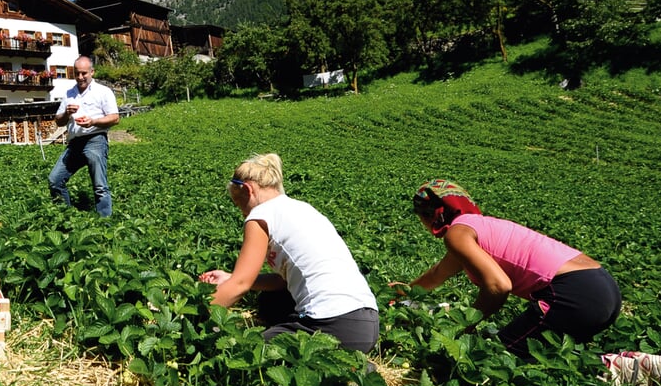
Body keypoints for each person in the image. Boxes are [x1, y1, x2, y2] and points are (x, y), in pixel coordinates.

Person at [394, 179, 621, 356]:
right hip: (603, 287)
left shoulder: (457, 234)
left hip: (573, 293)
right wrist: (404, 291)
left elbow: (498, 286)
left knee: (496, 355)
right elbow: (438, 274)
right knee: (556, 356)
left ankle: (615, 367)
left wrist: (466, 327)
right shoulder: (476, 227)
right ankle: (630, 362)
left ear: (431, 213)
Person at [199, 153, 379, 351]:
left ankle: (340, 375)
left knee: (245, 351)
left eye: (240, 207)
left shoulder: (260, 215)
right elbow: (284, 281)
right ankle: (350, 363)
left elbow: (241, 284)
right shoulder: (303, 209)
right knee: (271, 300)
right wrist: (230, 277)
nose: (243, 214)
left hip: (330, 325)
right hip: (366, 322)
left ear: (249, 190)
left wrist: (194, 316)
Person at [48, 55, 119, 218]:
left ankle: (105, 224)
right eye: (77, 73)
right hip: (75, 143)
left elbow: (115, 118)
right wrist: (66, 113)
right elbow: (59, 121)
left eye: (84, 73)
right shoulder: (69, 94)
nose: (80, 77)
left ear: (92, 72)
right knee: (55, 180)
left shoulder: (103, 92)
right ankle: (66, 217)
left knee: (100, 185)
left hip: (95, 139)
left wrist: (93, 121)